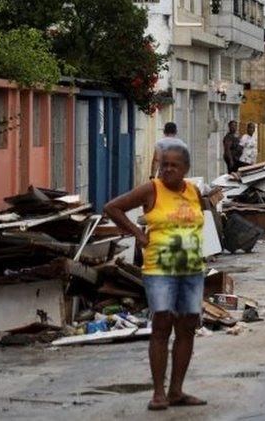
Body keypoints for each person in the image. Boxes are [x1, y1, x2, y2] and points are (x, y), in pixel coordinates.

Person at [104, 145, 207, 411]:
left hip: (191, 270)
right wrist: (138, 235)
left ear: (185, 168)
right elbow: (112, 208)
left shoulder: (194, 192)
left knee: (187, 327)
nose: (168, 169)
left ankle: (176, 391)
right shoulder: (152, 189)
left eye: (174, 165)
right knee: (162, 323)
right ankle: (158, 393)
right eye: (164, 164)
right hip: (160, 270)